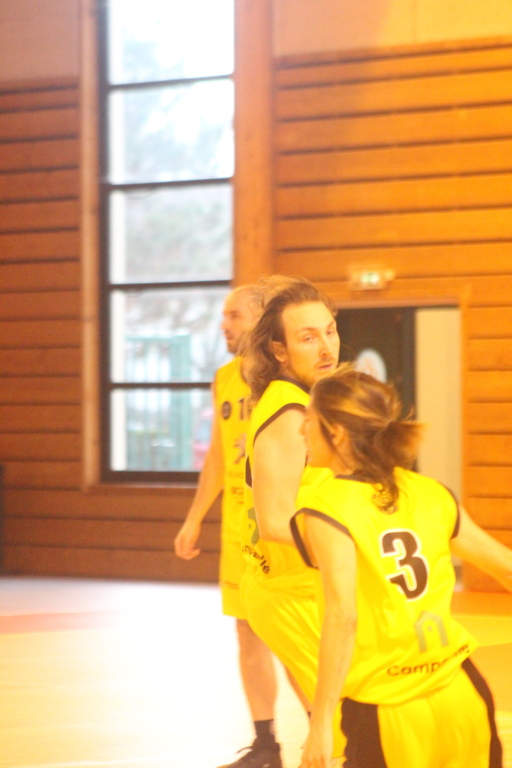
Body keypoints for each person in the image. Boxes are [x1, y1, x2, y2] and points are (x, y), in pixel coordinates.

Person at [291, 364, 512, 768]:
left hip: (387, 707)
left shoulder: (326, 507)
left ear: (336, 432)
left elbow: (343, 616)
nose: (302, 429)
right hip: (462, 692)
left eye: (309, 418)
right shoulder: (430, 492)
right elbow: (507, 569)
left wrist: (320, 722)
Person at [174, 286, 283, 768]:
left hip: (282, 524)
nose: (225, 324)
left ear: (261, 318)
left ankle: (332, 739)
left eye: (234, 315)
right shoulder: (223, 378)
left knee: (293, 633)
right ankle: (266, 746)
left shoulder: (286, 377)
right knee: (247, 633)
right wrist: (194, 517)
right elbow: (218, 458)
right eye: (223, 315)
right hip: (239, 524)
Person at [239, 277, 345, 759]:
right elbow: (276, 522)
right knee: (347, 727)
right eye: (308, 337)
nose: (325, 347)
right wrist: (352, 546)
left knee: (339, 729)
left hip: (303, 589)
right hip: (289, 595)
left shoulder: (309, 400)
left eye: (330, 331)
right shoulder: (288, 414)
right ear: (279, 350)